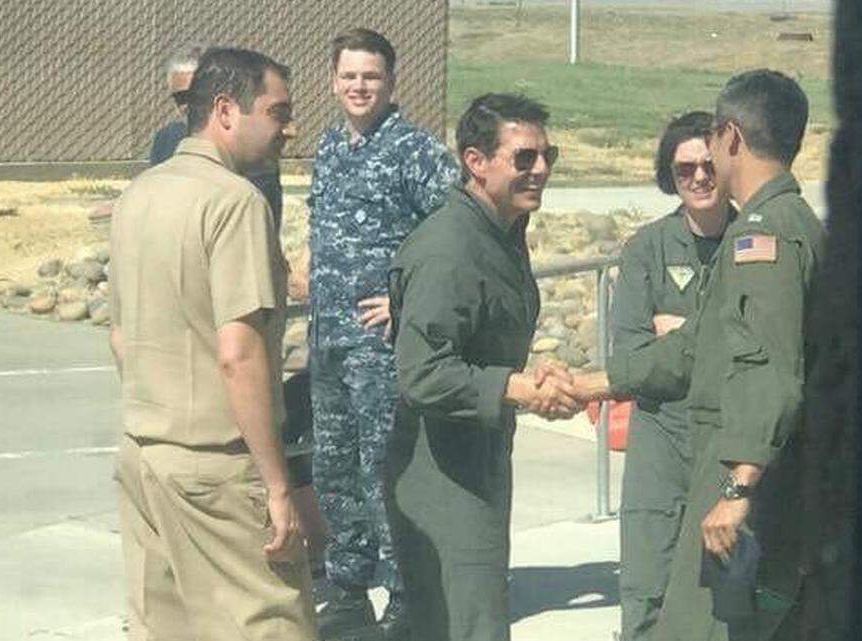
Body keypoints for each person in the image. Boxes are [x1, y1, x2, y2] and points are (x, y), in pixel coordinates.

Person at [107, 47, 316, 641]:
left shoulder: (139, 195)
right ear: (226, 110)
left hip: (146, 455)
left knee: (166, 627)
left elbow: (121, 336)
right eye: (277, 112)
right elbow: (239, 353)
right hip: (217, 469)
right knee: (269, 624)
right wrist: (278, 486)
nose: (288, 128)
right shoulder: (235, 201)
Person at [385, 92, 579, 641]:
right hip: (442, 468)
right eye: (524, 158)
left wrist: (530, 373)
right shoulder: (451, 247)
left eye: (548, 156)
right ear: (476, 162)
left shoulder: (500, 232)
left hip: (478, 451)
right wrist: (515, 386)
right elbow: (422, 372)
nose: (540, 170)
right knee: (467, 624)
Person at [650, 69, 825, 641]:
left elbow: (768, 367)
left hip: (747, 483)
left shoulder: (763, 237)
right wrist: (594, 381)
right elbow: (695, 346)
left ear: (730, 137)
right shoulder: (790, 224)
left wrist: (736, 489)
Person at [303, 27, 459, 640]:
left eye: (371, 76)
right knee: (334, 466)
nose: (359, 86)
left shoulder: (415, 152)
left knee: (384, 467)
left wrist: (407, 304)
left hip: (380, 347)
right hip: (329, 341)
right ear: (333, 81)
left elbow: (456, 234)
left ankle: (404, 593)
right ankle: (348, 588)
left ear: (391, 82)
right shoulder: (329, 146)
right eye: (349, 76)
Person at [614, 112, 736, 641]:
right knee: (648, 580)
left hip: (727, 435)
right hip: (661, 436)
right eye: (685, 167)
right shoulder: (648, 249)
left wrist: (682, 331)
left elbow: (764, 348)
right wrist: (716, 337)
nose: (700, 177)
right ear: (670, 174)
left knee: (724, 589)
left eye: (709, 164)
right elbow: (633, 354)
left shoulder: (752, 244)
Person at [148, 45, 285, 230]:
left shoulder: (248, 147)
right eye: (180, 97)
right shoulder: (166, 139)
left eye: (195, 95)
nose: (188, 105)